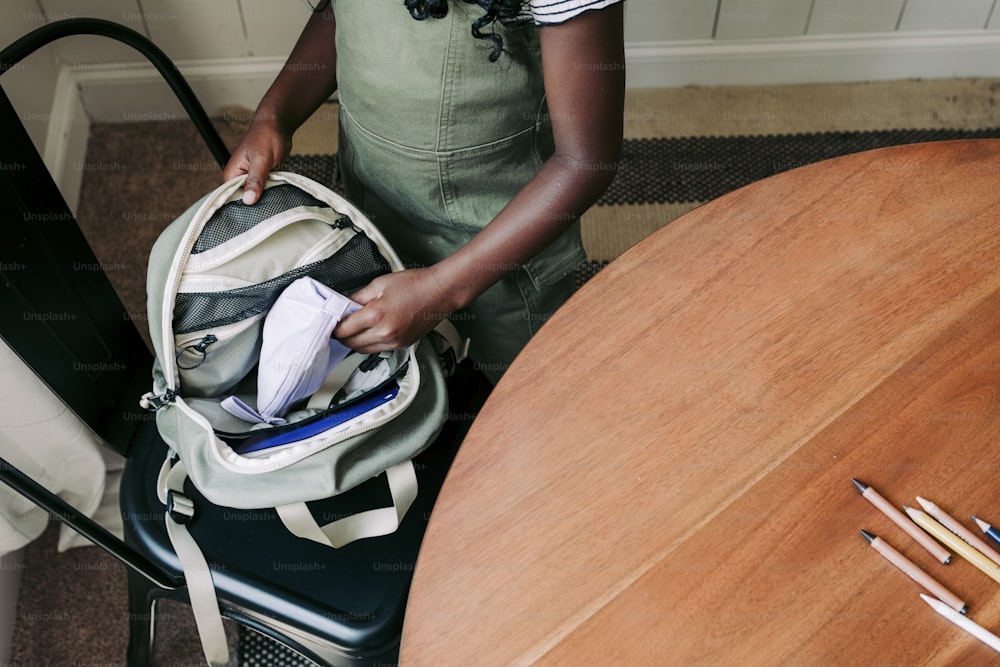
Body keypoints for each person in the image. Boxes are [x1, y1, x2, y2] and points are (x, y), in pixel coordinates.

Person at [222, 0, 625, 384]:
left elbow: (585, 161)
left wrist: (439, 291)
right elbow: (343, 16)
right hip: (372, 209)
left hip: (501, 243)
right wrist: (275, 115)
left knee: (526, 397)